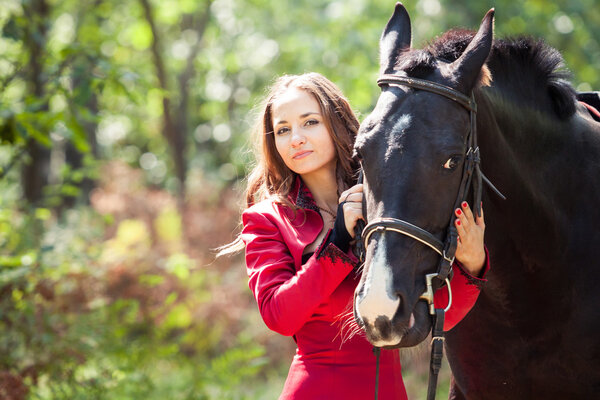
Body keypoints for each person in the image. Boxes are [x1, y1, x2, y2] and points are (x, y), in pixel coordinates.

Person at [220, 72, 489, 399]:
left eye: (310, 122)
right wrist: (336, 243)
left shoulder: (386, 204)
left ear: (336, 120)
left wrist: (471, 267)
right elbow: (280, 315)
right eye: (283, 130)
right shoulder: (268, 219)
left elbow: (436, 320)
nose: (296, 139)